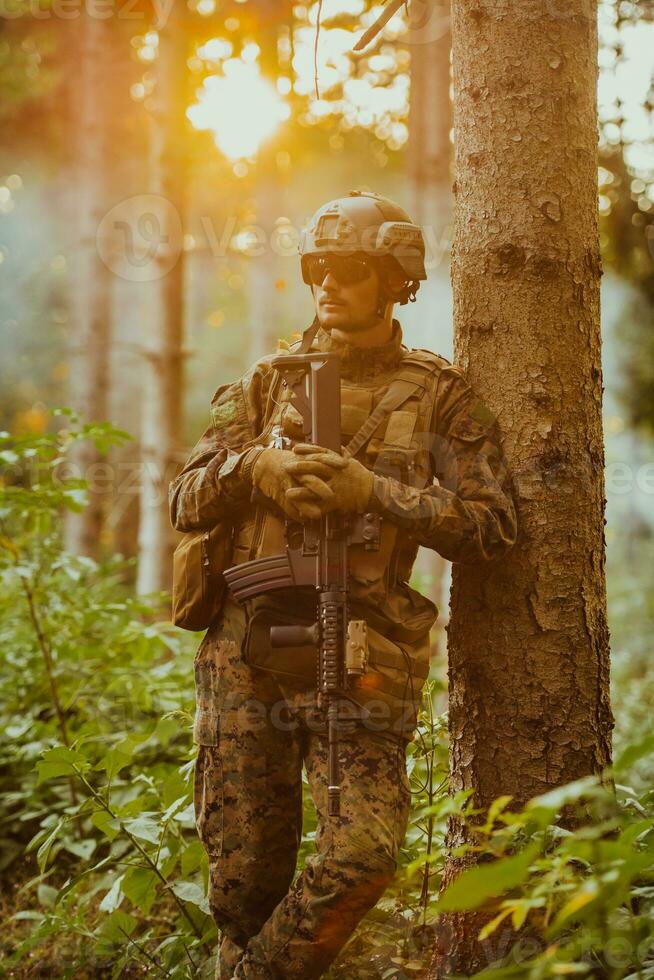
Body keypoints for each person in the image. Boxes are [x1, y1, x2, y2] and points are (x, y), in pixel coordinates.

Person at [168, 191, 518, 979]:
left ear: (395, 279)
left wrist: (375, 492)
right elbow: (183, 496)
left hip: (358, 654)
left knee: (361, 855)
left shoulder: (440, 395)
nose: (328, 282)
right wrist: (254, 466)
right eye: (317, 266)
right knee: (243, 884)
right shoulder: (267, 382)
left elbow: (493, 529)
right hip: (246, 653)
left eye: (351, 268)